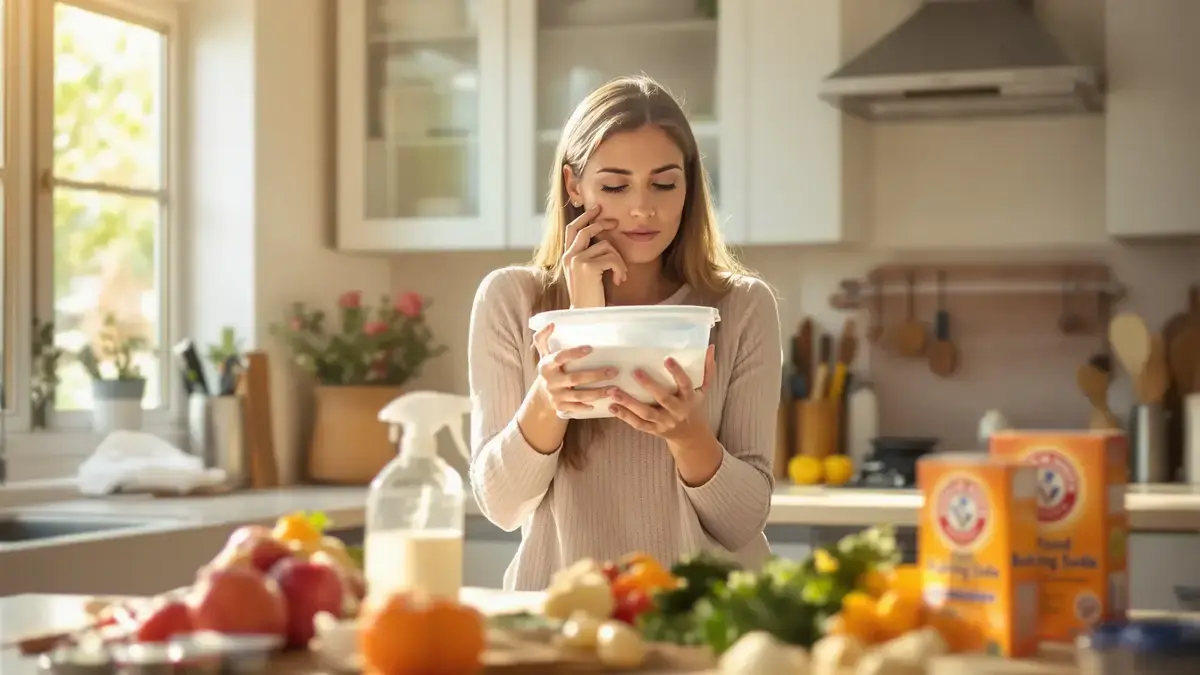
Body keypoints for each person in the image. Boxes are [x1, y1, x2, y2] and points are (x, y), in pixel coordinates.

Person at [467, 75, 782, 591]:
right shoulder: (511, 300)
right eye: (615, 186)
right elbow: (502, 506)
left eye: (664, 184)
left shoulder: (742, 307)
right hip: (565, 614)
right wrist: (570, 348)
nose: (642, 208)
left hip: (702, 617)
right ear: (574, 185)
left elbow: (742, 522)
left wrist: (688, 435)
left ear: (689, 185)